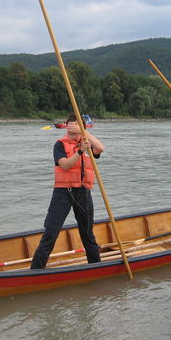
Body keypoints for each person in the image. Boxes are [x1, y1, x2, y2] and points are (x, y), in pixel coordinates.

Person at [31, 114, 104, 269]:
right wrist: (79, 152)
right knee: (50, 233)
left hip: (83, 192)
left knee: (88, 233)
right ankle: (35, 271)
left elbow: (100, 148)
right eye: (70, 123)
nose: (72, 126)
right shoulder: (60, 145)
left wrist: (84, 133)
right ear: (66, 126)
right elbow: (64, 165)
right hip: (63, 192)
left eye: (76, 124)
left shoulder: (86, 143)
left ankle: (96, 266)